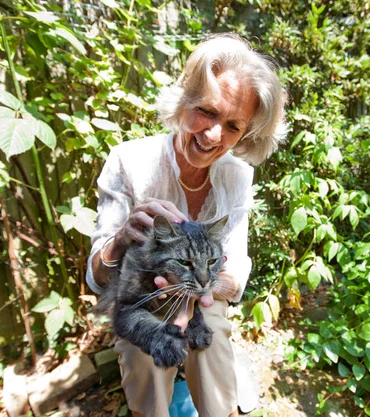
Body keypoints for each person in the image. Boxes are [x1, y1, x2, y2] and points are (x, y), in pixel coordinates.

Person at [86, 33, 287, 417]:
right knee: (142, 348)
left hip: (201, 293)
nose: (214, 136)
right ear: (184, 100)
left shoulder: (237, 176)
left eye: (233, 126)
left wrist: (195, 292)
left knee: (210, 334)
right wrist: (119, 240)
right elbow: (96, 280)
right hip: (139, 295)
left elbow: (235, 273)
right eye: (207, 112)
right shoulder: (128, 162)